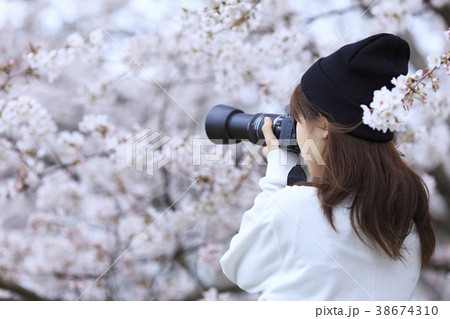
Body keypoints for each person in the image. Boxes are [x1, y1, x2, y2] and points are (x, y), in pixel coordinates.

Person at [219, 33, 436, 301]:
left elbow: (239, 267)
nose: (295, 130)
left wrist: (278, 170)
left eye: (296, 120)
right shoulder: (407, 227)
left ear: (322, 124)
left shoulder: (299, 208)